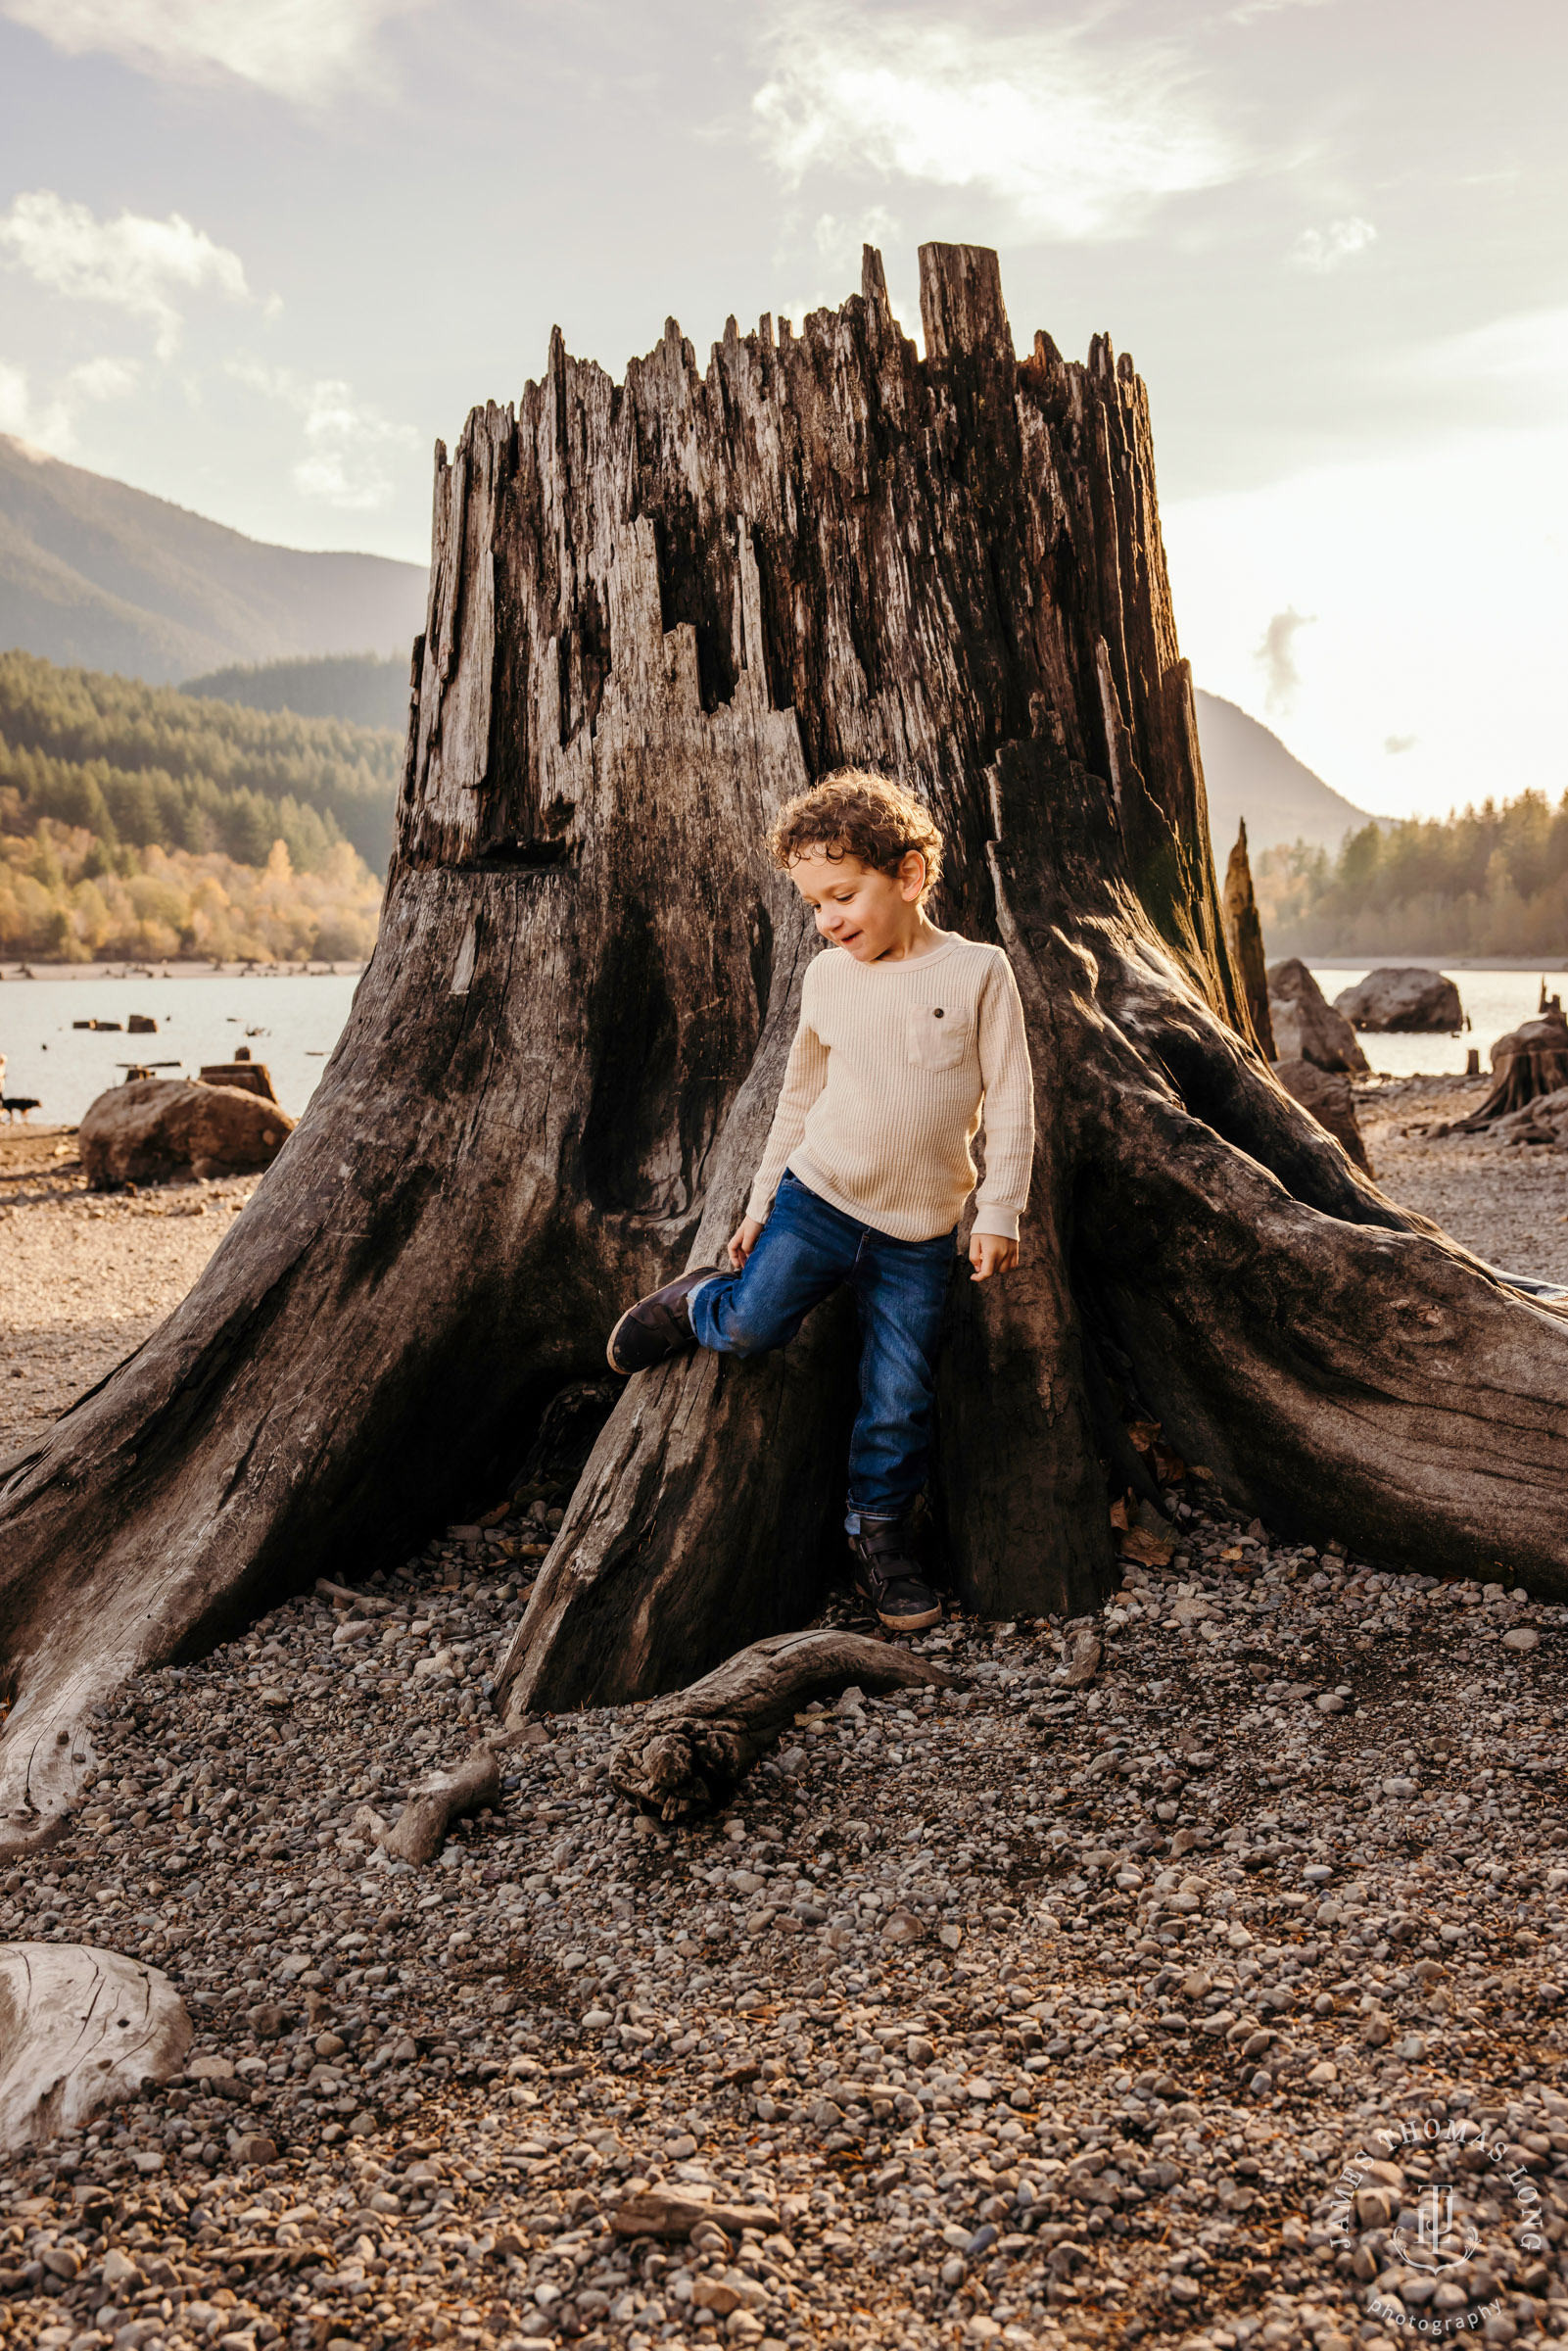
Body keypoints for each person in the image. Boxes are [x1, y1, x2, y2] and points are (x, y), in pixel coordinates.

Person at [606, 769, 1034, 1633]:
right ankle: (697, 1303)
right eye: (812, 905)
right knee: (754, 1326)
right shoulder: (828, 979)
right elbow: (796, 1100)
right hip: (822, 1195)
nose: (828, 919)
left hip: (919, 1232)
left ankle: (877, 1535)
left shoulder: (980, 971)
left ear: (907, 877)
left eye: (842, 895)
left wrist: (998, 1212)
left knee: (899, 1394)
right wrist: (762, 1204)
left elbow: (1014, 1095)